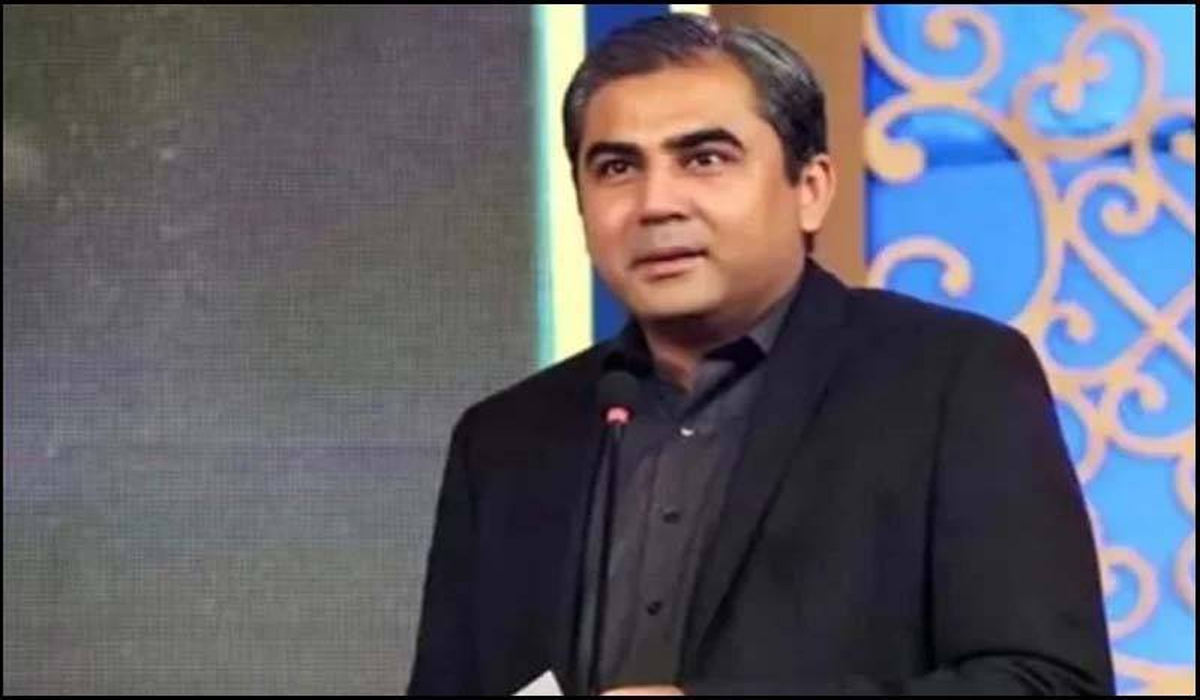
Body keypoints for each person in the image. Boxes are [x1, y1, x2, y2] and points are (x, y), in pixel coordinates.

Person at [408, 14, 1113, 696]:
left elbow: (1048, 683)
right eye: (617, 167)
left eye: (704, 159)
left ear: (810, 190)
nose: (656, 204)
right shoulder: (505, 440)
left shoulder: (951, 382)